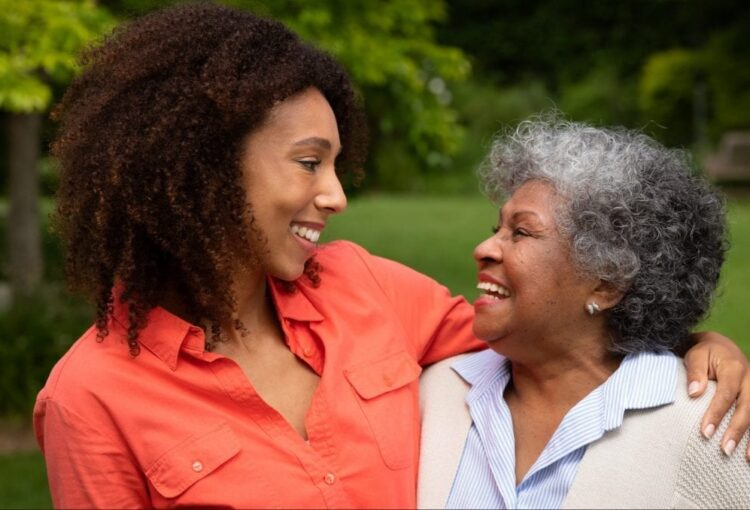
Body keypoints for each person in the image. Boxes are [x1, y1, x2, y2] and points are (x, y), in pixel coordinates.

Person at [33, 4, 748, 509]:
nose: (336, 194)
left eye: (338, 164)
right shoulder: (89, 398)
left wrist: (691, 341)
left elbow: (554, 331)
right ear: (205, 165)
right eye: (310, 162)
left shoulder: (364, 287)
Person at [418, 117, 750, 509]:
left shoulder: (707, 427)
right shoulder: (435, 392)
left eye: (521, 232)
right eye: (498, 228)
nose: (484, 248)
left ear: (606, 284)